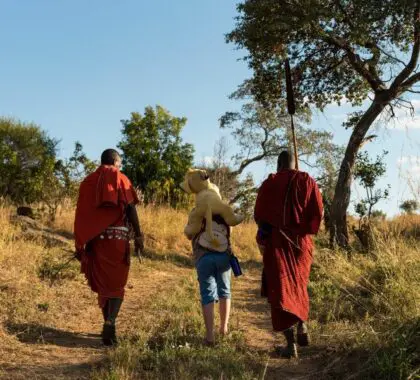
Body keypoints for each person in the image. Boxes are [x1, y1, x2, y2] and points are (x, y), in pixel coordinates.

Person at [254, 150, 323, 358]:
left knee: (281, 291)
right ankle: (302, 325)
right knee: (299, 286)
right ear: (296, 163)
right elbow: (317, 214)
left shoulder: (270, 183)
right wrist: (303, 228)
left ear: (278, 164)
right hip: (302, 245)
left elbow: (259, 216)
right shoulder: (308, 180)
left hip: (278, 243)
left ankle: (290, 345)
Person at [74, 149, 144, 346]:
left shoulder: (88, 182)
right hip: (118, 240)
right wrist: (138, 234)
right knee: (117, 284)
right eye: (119, 163)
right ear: (114, 161)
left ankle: (107, 322)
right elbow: (130, 208)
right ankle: (110, 321)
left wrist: (81, 242)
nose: (120, 167)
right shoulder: (121, 179)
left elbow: (82, 214)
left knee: (105, 284)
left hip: (96, 241)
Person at [192, 215, 233, 345]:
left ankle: (210, 337)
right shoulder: (224, 212)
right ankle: (223, 328)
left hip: (204, 257)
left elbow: (189, 233)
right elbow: (229, 233)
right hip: (224, 257)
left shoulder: (198, 212)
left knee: (207, 295)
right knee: (225, 291)